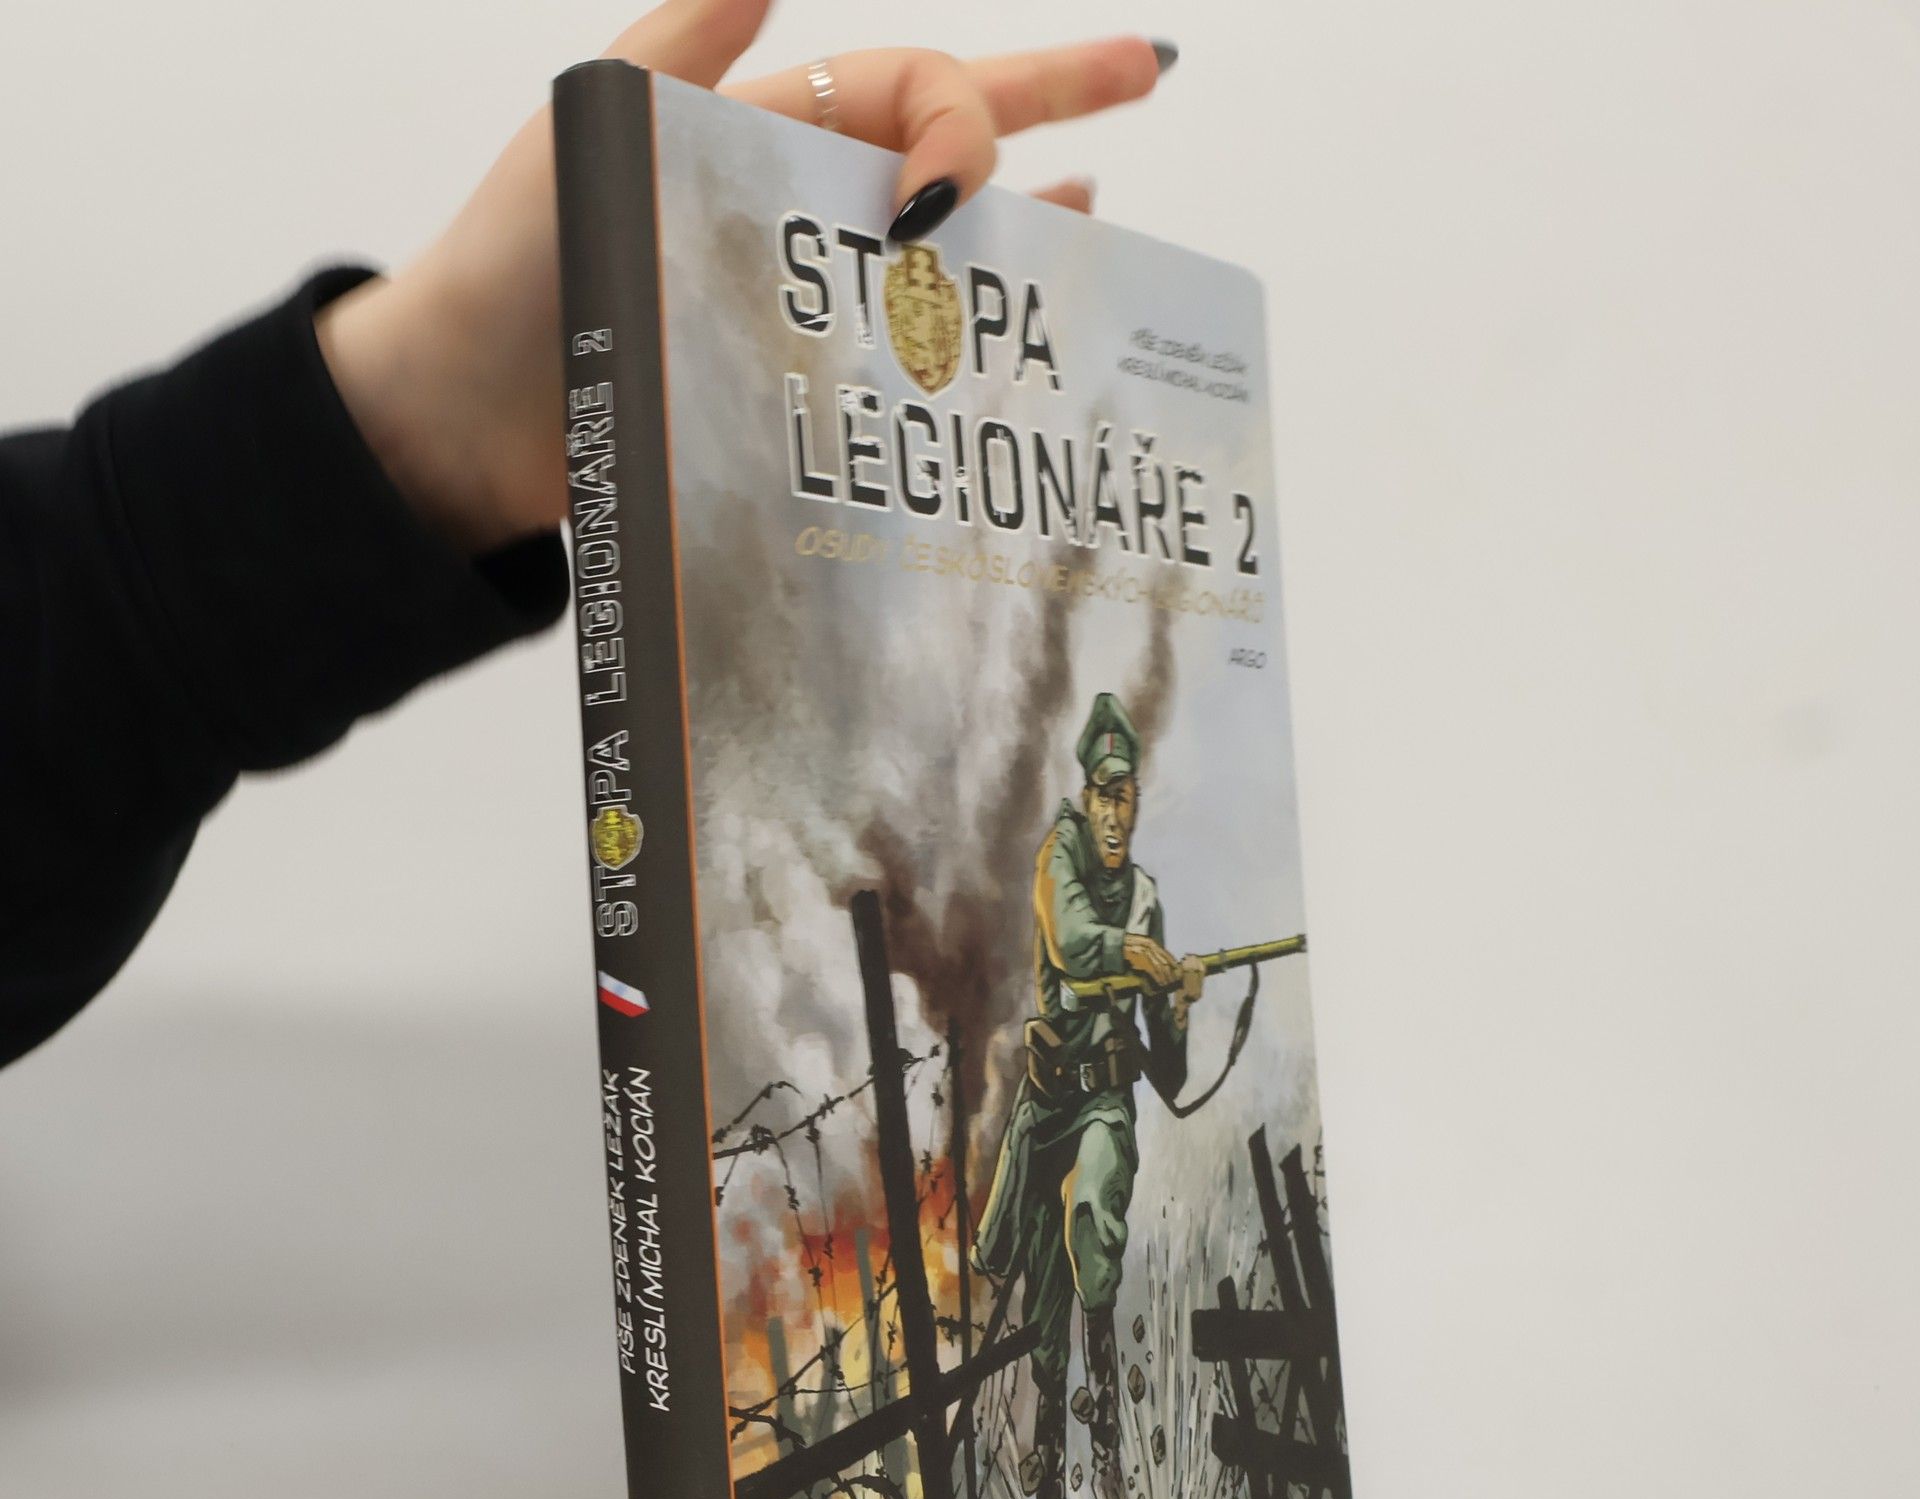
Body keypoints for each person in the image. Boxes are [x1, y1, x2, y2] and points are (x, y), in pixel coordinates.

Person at [0, 0, 1177, 1067]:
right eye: (1110, 787)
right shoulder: (1068, 879)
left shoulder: (1136, 881)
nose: (1118, 809)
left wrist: (418, 419)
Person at [975, 691, 1206, 1499]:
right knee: (1043, 1319)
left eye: (1126, 796)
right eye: (1103, 795)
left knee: (1092, 1222)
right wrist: (1132, 956)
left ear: (1138, 800)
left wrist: (1176, 1006)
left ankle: (1107, 1436)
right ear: (1086, 794)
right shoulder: (1059, 857)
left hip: (1105, 1103)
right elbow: (1074, 943)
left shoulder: (1146, 898)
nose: (1114, 814)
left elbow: (1169, 1073)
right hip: (1048, 1108)